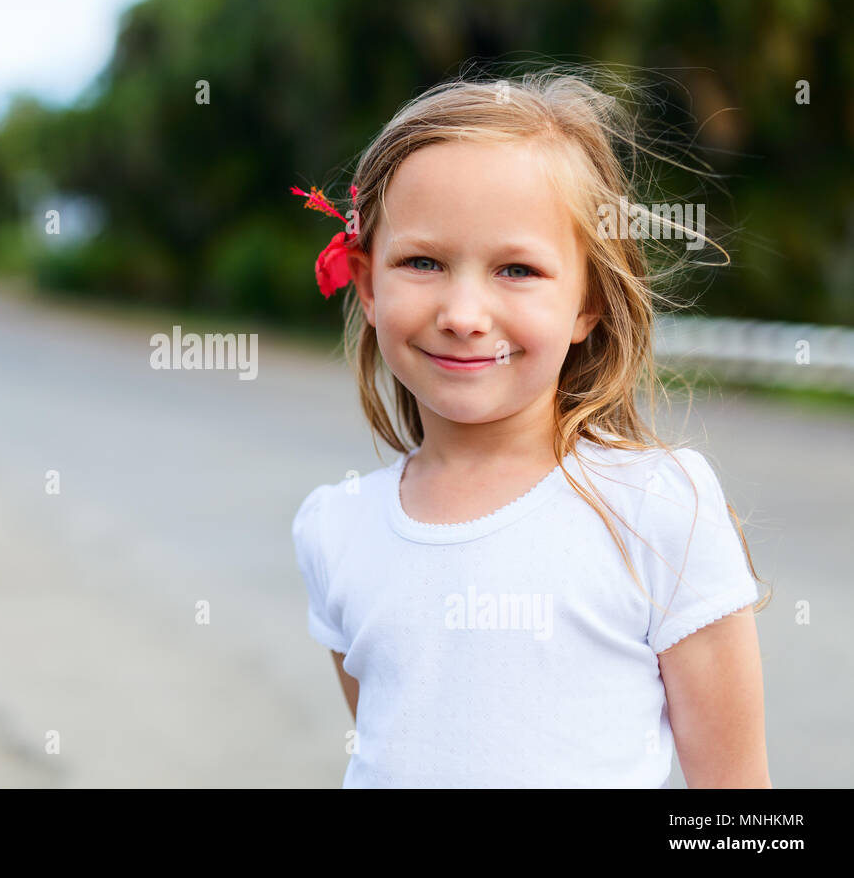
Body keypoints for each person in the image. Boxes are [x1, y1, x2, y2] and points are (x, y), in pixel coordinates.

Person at [290, 67, 772, 788]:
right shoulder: (336, 527)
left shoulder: (656, 510)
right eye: (422, 261)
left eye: (516, 269)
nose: (463, 313)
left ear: (588, 304)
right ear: (366, 281)